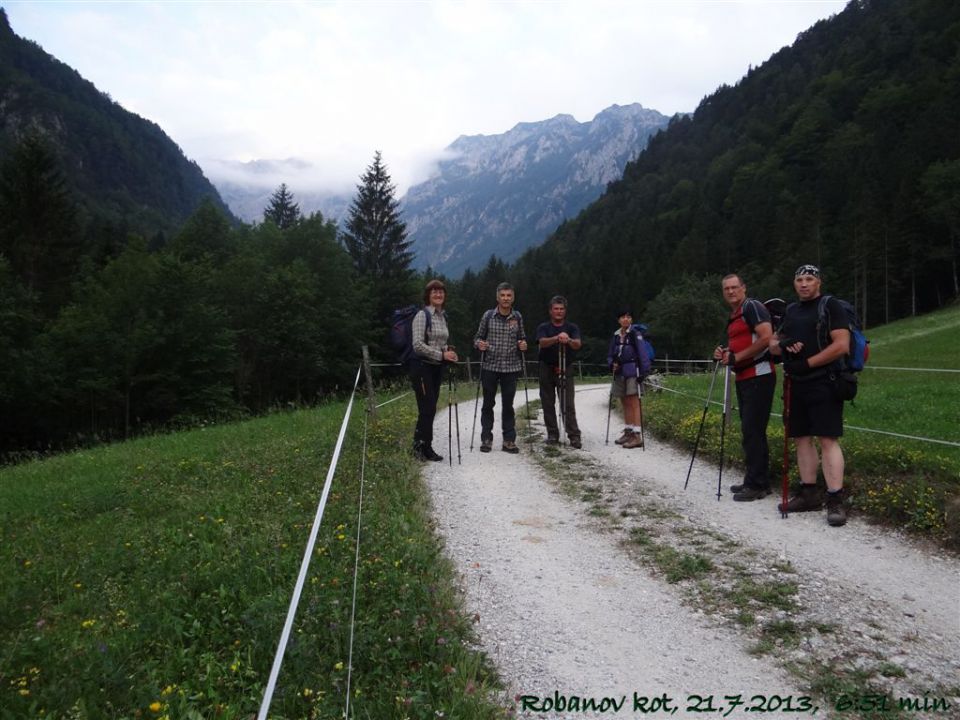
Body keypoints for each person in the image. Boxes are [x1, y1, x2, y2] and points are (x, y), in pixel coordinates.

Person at [769, 264, 850, 526]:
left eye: (809, 279)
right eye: (800, 280)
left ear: (819, 283)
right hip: (796, 383)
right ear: (794, 284)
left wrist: (808, 363)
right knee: (801, 438)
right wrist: (782, 345)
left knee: (827, 439)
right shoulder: (791, 310)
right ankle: (808, 493)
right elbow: (773, 343)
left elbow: (841, 345)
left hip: (825, 381)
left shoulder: (830, 306)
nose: (804, 284)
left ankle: (835, 498)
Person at [713, 274, 776, 501]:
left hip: (759, 374)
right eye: (726, 289)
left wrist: (737, 357)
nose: (730, 292)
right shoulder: (736, 313)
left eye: (734, 287)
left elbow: (767, 337)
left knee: (753, 430)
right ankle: (756, 480)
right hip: (745, 376)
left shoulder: (753, 307)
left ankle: (757, 484)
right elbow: (742, 342)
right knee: (751, 430)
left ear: (743, 288)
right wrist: (725, 354)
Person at [473, 282, 528, 453]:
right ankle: (486, 438)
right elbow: (477, 338)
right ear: (497, 297)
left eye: (509, 295)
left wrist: (523, 345)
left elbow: (522, 338)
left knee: (508, 405)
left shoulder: (517, 317)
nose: (506, 298)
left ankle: (509, 440)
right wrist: (479, 344)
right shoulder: (488, 316)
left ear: (513, 298)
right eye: (503, 295)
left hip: (511, 367)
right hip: (490, 365)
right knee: (488, 403)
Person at [410, 279, 459, 462]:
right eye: (434, 292)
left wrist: (449, 353)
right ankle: (423, 448)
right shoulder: (422, 315)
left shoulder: (441, 316)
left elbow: (441, 342)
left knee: (429, 407)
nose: (438, 295)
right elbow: (417, 345)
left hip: (436, 368)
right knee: (427, 407)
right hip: (422, 367)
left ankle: (420, 446)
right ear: (428, 296)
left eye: (441, 292)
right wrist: (441, 355)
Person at [536, 295, 582, 448]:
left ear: (565, 311)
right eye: (556, 309)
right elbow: (542, 342)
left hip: (565, 367)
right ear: (550, 311)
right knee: (547, 402)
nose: (559, 312)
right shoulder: (544, 327)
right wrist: (557, 338)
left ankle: (574, 435)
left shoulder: (572, 327)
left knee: (567, 403)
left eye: (561, 309)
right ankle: (552, 434)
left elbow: (577, 344)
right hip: (546, 367)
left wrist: (568, 340)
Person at [607, 308, 648, 449]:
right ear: (618, 320)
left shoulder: (635, 334)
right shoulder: (616, 335)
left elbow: (642, 353)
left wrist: (643, 372)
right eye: (623, 317)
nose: (626, 319)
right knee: (624, 401)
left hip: (633, 371)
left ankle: (637, 436)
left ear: (631, 320)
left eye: (628, 317)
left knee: (634, 402)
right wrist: (611, 364)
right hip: (619, 372)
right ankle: (629, 432)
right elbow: (611, 353)